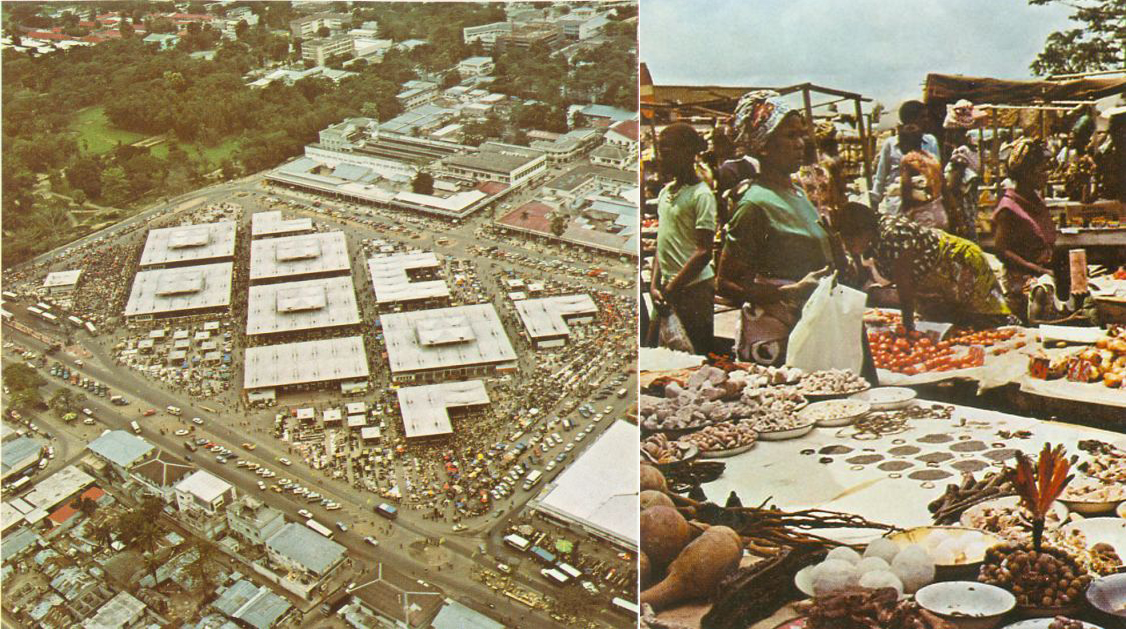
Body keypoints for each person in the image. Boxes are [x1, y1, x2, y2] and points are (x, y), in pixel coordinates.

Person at [716, 90, 833, 365]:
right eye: (790, 136)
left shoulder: (797, 193)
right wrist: (787, 292)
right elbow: (725, 282)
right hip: (775, 339)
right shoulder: (754, 204)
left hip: (809, 326)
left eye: (801, 134)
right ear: (764, 146)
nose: (800, 143)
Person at [835, 201, 1012, 332]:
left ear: (865, 231)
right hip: (937, 275)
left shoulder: (893, 235)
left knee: (987, 321)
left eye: (850, 240)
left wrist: (907, 328)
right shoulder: (872, 240)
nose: (848, 246)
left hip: (960, 261)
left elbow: (905, 285)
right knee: (956, 326)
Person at [649, 123, 717, 355]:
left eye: (667, 153)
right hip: (668, 289)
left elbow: (703, 251)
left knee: (696, 356)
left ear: (688, 153)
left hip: (693, 291)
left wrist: (671, 288)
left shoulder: (701, 195)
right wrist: (654, 284)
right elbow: (662, 242)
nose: (661, 159)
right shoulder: (665, 193)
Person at [992, 137, 1058, 322]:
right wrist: (1037, 270)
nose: (1046, 174)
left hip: (1042, 276)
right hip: (1020, 284)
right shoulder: (1009, 208)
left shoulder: (1035, 202)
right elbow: (1002, 251)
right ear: (1026, 172)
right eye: (1042, 169)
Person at [871, 100, 940, 215]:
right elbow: (881, 176)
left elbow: (936, 172)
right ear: (911, 119)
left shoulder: (930, 141)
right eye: (922, 116)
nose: (926, 120)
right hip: (897, 206)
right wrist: (874, 202)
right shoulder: (890, 144)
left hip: (925, 206)